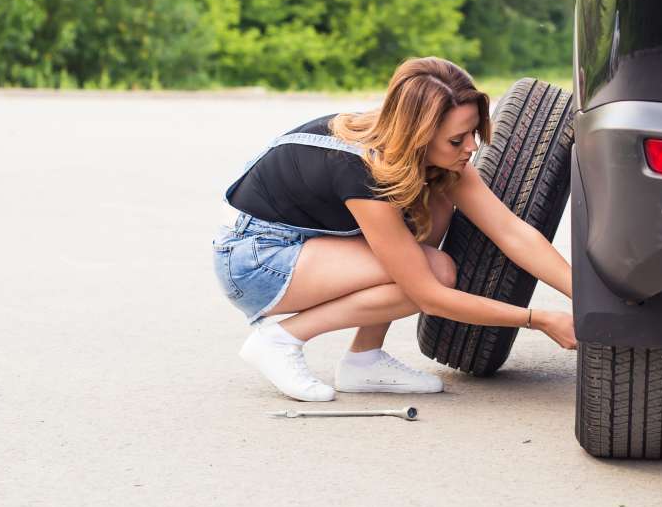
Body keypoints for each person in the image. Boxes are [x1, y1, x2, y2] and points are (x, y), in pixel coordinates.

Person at [212, 57, 576, 401]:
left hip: (307, 242)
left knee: (437, 199)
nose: (471, 148)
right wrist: (538, 319)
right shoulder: (363, 170)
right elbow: (429, 296)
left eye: (472, 134)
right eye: (457, 140)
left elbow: (511, 232)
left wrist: (589, 298)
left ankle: (364, 361)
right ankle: (279, 341)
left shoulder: (420, 155)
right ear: (418, 133)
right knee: (435, 273)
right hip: (255, 259)